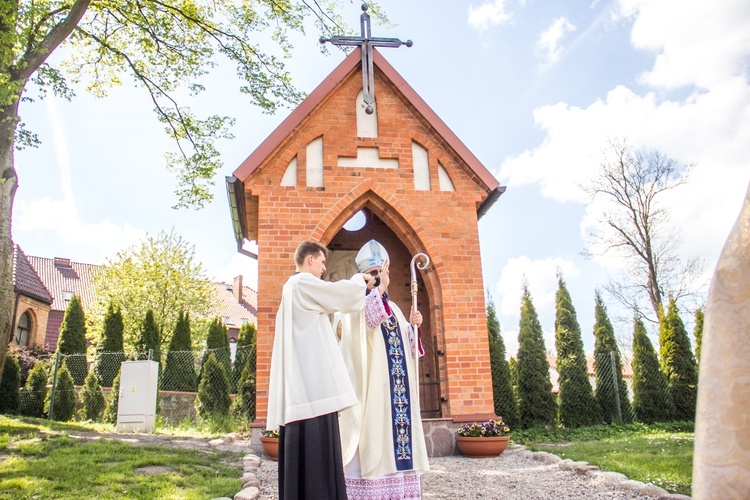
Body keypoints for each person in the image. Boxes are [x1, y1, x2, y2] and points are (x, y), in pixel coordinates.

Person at [266, 241, 374, 500]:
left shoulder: (292, 289)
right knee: (318, 455)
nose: (324, 269)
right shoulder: (302, 283)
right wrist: (360, 280)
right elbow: (338, 295)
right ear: (310, 259)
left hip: (302, 387)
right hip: (312, 388)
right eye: (323, 262)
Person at [338, 239, 430, 499]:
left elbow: (412, 353)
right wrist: (378, 291)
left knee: (398, 447)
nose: (377, 278)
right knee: (372, 444)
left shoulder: (398, 311)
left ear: (388, 271)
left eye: (381, 272)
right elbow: (367, 321)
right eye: (372, 274)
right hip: (373, 394)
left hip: (398, 397)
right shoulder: (357, 306)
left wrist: (415, 328)